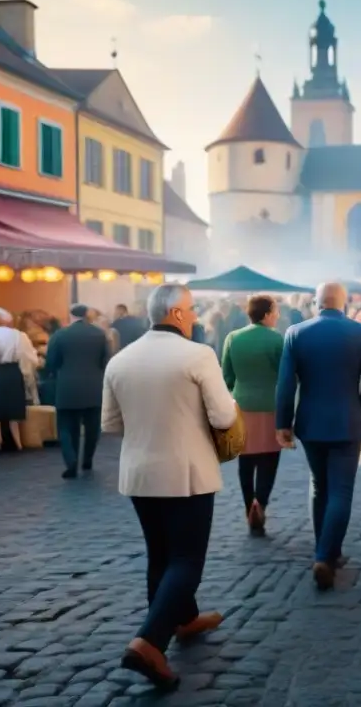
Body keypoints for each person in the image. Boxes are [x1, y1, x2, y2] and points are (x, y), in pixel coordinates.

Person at [103, 283, 236, 689]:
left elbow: (110, 425)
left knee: (160, 554)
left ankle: (183, 617)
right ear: (176, 314)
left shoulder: (121, 360)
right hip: (186, 471)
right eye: (192, 310)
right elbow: (224, 417)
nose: (196, 316)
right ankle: (149, 642)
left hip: (140, 472)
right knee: (186, 561)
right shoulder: (197, 354)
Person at [275, 282, 361, 590]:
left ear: (316, 303)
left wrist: (283, 422)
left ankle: (324, 551)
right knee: (341, 491)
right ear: (345, 303)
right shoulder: (360, 332)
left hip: (310, 422)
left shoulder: (296, 333)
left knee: (319, 485)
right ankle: (327, 554)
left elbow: (285, 384)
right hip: (346, 421)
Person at [222, 295, 285, 535]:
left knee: (246, 461)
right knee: (270, 458)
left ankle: (249, 504)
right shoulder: (276, 339)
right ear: (267, 313)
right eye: (276, 311)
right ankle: (262, 502)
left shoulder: (233, 338)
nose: (277, 315)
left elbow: (226, 375)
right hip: (270, 406)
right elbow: (285, 375)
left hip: (242, 405)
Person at [45, 304, 110, 478]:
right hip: (94, 387)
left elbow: (51, 362)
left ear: (70, 316)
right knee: (92, 428)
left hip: (67, 387)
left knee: (66, 427)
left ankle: (71, 461)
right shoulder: (99, 334)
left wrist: (56, 373)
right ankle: (87, 460)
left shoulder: (60, 335)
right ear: (87, 315)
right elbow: (106, 360)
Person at [0, 307, 35, 451]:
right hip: (14, 371)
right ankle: (18, 443)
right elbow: (23, 355)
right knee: (14, 409)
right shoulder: (17, 335)